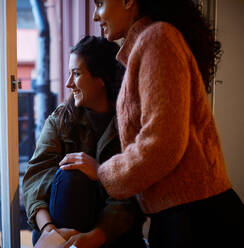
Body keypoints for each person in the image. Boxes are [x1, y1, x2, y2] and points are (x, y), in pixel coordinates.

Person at [92, 0, 244, 247]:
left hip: (198, 222)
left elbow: (162, 145)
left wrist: (102, 173)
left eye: (99, 3)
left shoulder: (158, 38)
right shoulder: (149, 43)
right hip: (183, 218)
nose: (95, 17)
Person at [22, 36, 146, 248]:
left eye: (77, 74)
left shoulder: (131, 124)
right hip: (57, 227)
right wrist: (48, 230)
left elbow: (131, 195)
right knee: (72, 174)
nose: (69, 83)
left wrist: (100, 173)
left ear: (102, 79)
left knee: (83, 174)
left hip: (112, 232)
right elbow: (36, 177)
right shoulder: (61, 119)